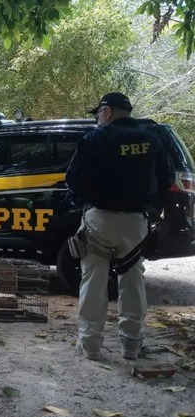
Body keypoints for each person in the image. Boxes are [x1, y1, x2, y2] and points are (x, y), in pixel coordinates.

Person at [65, 92, 174, 361]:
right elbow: (167, 179)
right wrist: (153, 208)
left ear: (108, 111)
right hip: (135, 223)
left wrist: (86, 201)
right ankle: (131, 346)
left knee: (93, 282)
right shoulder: (152, 139)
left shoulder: (95, 139)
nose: (97, 118)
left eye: (98, 113)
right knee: (133, 282)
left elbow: (73, 180)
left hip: (99, 221)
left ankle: (90, 345)